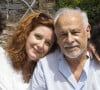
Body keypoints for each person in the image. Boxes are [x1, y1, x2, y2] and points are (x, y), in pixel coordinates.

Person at [30, 8, 100, 90]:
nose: (69, 40)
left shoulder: (98, 62)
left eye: (75, 32)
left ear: (87, 31)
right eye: (63, 34)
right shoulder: (45, 67)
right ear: (56, 38)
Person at [0, 11, 57, 90]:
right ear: (26, 34)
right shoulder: (2, 60)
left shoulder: (44, 74)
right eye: (38, 37)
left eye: (47, 43)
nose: (41, 45)